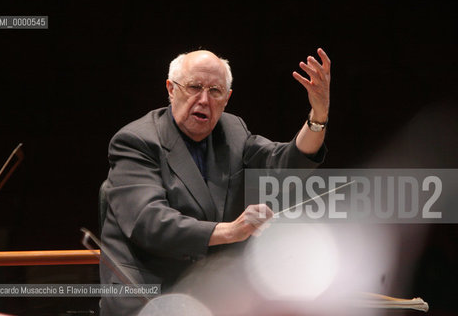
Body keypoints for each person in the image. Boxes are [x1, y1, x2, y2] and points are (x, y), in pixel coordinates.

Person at [100, 48, 331, 315]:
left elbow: (286, 163)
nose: (203, 99)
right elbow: (149, 222)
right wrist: (231, 231)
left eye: (215, 91)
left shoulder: (232, 131)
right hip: (149, 296)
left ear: (227, 99)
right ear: (171, 89)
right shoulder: (136, 141)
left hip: (208, 295)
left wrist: (318, 115)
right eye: (194, 87)